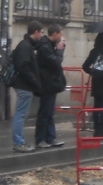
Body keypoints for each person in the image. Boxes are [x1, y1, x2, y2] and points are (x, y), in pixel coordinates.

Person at [10, 22, 43, 152]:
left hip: (25, 86)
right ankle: (18, 143)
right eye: (41, 32)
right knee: (20, 115)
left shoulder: (27, 45)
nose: (41, 35)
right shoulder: (25, 46)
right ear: (36, 32)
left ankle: (19, 142)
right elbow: (22, 66)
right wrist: (34, 81)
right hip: (24, 86)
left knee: (21, 114)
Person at [34, 23, 67, 148]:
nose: (62, 38)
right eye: (60, 35)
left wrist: (60, 49)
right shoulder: (45, 47)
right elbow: (56, 62)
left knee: (50, 112)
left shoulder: (50, 45)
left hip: (51, 83)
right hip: (46, 83)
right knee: (44, 112)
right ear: (54, 34)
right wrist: (59, 51)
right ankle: (40, 139)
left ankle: (50, 138)